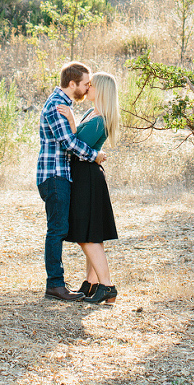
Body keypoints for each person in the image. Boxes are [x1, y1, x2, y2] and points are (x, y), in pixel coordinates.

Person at [37, 61, 106, 302]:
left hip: (60, 174)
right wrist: (94, 155)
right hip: (54, 175)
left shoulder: (65, 104)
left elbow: (70, 137)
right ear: (72, 83)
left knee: (59, 229)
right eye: (86, 84)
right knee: (57, 230)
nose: (88, 89)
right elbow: (68, 143)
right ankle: (55, 284)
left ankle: (59, 283)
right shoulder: (57, 105)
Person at [59, 71, 120, 305]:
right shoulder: (91, 112)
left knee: (87, 237)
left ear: (101, 90)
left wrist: (71, 121)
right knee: (90, 233)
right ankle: (91, 283)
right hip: (84, 175)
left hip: (87, 178)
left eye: (91, 86)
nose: (87, 88)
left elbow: (77, 146)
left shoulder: (100, 119)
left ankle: (107, 286)